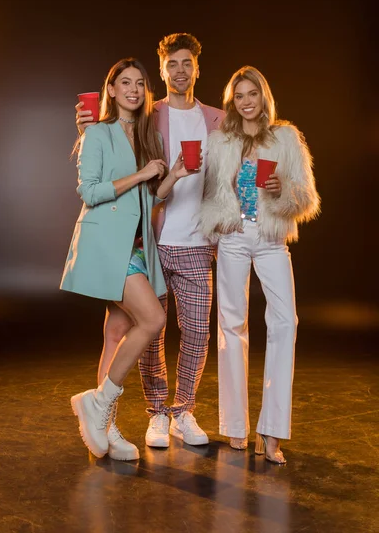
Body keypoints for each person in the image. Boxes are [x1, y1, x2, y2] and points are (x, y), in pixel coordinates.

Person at [76, 33, 224, 448]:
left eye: (186, 63)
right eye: (171, 64)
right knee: (147, 330)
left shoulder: (216, 119)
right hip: (148, 241)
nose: (179, 71)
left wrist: (173, 176)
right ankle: (148, 412)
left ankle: (175, 411)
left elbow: (238, 160)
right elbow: (99, 165)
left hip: (187, 241)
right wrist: (88, 125)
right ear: (163, 70)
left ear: (196, 67)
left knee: (187, 332)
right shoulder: (148, 118)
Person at [62, 57, 197, 461]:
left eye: (140, 83)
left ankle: (105, 424)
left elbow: (150, 200)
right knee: (153, 319)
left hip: (138, 245)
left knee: (115, 332)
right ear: (112, 90)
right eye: (126, 82)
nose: (134, 89)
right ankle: (98, 403)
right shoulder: (98, 133)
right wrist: (140, 174)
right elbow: (90, 192)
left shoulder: (145, 135)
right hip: (108, 244)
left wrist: (171, 176)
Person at [199, 65, 320, 464]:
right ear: (231, 100)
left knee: (285, 322)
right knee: (231, 325)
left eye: (252, 94)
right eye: (239, 95)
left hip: (270, 239)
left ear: (263, 96)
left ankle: (271, 431)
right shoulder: (221, 142)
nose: (246, 101)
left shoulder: (286, 137)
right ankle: (235, 426)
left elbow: (306, 197)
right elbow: (212, 194)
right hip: (233, 237)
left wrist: (283, 189)